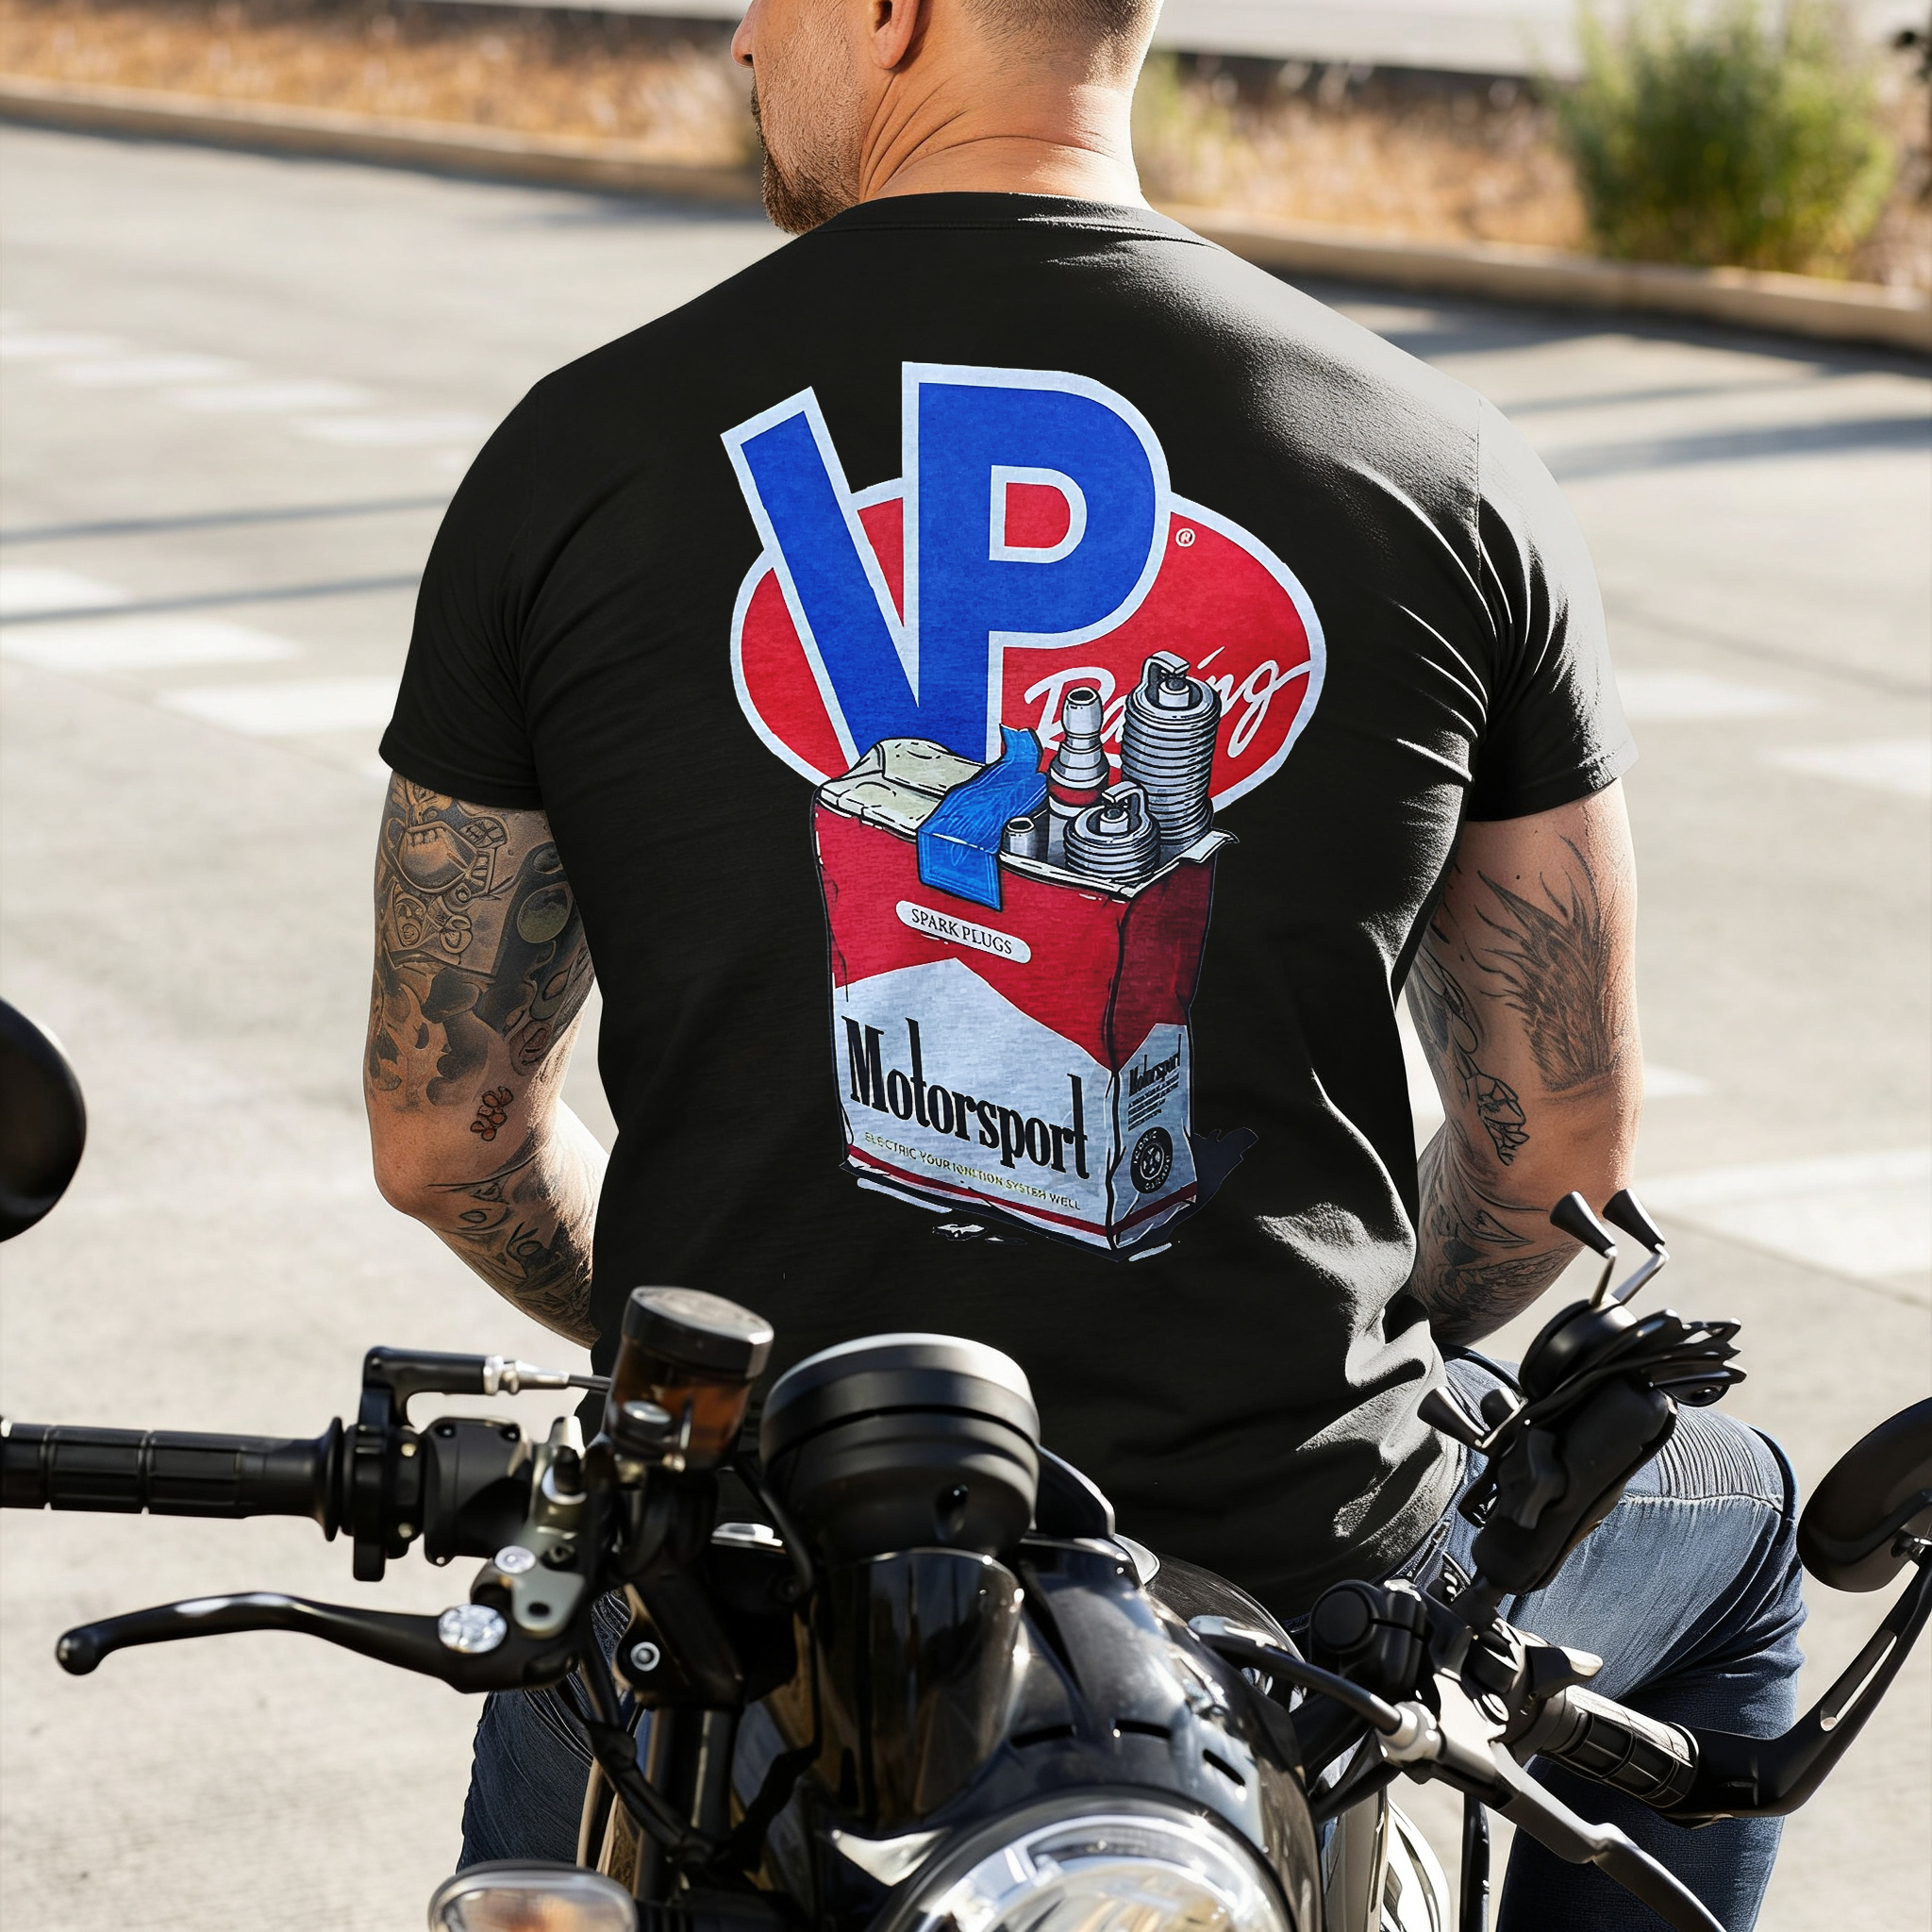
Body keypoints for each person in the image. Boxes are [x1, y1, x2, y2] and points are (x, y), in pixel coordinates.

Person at [364, 0, 1802, 1921]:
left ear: (893, 12)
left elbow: (446, 1133)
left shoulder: (580, 450)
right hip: (1301, 1589)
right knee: (1740, 1517)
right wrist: (1355, 1351)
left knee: (582, 1678)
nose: (741, 40)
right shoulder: (1444, 464)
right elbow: (1560, 1150)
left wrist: (709, 1372)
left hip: (735, 1580)